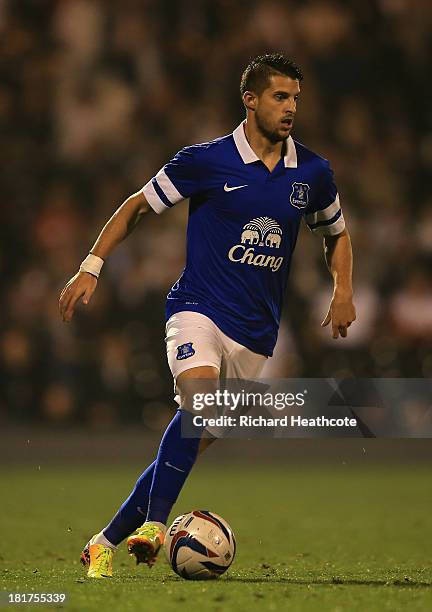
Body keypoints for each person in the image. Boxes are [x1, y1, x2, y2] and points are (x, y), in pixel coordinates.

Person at [59, 53, 356, 578]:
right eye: (279, 97)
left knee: (187, 444)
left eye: (296, 99)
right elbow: (137, 205)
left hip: (256, 337)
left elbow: (336, 234)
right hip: (197, 309)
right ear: (250, 99)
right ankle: (155, 525)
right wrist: (91, 265)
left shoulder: (312, 171)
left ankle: (102, 542)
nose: (290, 108)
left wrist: (343, 290)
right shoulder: (206, 160)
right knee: (198, 403)